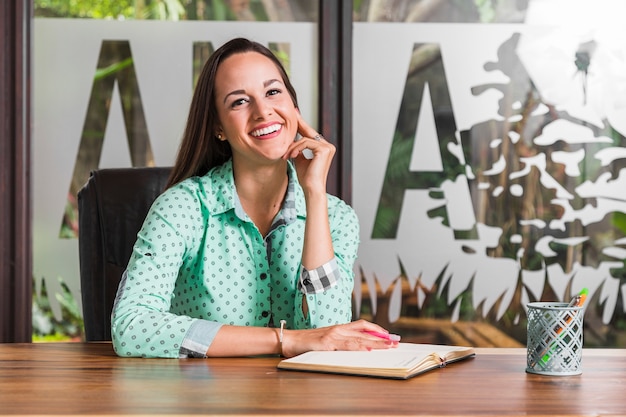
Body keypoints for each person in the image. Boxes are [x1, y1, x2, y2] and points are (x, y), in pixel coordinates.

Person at [111, 37, 398, 359]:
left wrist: (315, 194)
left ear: (294, 108)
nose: (263, 111)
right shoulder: (183, 208)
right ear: (218, 127)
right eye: (239, 102)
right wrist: (284, 340)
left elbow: (326, 330)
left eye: (273, 92)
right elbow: (131, 327)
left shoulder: (337, 217)